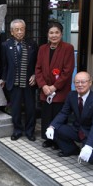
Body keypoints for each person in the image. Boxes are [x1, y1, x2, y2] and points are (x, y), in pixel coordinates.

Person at [45, 72, 93, 164]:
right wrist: (51, 126)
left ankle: (88, 147)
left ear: (90, 83)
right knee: (56, 128)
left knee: (92, 159)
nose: (80, 85)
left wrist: (89, 146)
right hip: (77, 129)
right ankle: (72, 150)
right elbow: (64, 113)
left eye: (83, 82)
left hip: (91, 132)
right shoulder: (71, 95)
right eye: (77, 82)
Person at [35, 20, 74, 149]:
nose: (54, 35)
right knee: (46, 115)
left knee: (59, 115)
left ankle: (59, 140)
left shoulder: (68, 48)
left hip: (60, 90)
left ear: (61, 34)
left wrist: (54, 87)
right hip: (45, 90)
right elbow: (38, 69)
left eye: (57, 32)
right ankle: (49, 139)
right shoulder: (42, 49)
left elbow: (67, 71)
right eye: (51, 33)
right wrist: (44, 86)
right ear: (47, 35)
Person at [0, 19, 38, 141]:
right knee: (15, 109)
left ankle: (30, 131)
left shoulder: (32, 44)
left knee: (30, 108)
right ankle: (17, 130)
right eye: (17, 30)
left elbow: (38, 63)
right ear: (12, 32)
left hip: (29, 83)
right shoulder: (6, 45)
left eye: (22, 29)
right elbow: (4, 65)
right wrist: (3, 78)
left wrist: (35, 75)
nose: (20, 32)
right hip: (13, 82)